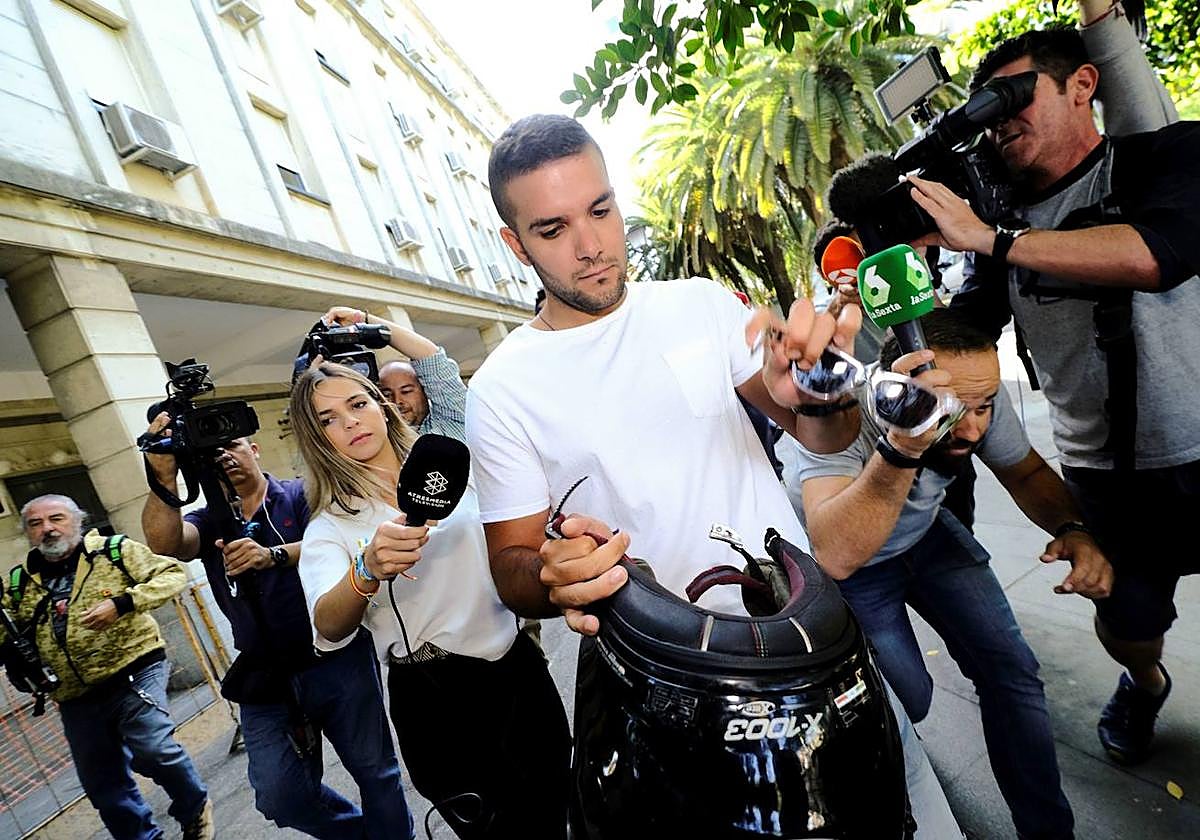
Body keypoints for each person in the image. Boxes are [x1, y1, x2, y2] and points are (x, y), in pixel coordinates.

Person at [466, 113, 962, 838]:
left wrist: (816, 392)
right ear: (515, 243)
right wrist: (553, 573)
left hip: (810, 642)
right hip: (666, 690)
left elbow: (821, 434)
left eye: (600, 209)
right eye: (552, 229)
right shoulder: (501, 388)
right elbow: (510, 565)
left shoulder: (696, 304)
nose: (591, 244)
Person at [913, 3, 1199, 765]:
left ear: (1082, 85)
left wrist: (994, 239)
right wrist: (893, 292)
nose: (1000, 122)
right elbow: (965, 334)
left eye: (1013, 97)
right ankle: (1145, 682)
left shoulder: (1161, 159)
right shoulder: (997, 228)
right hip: (1108, 475)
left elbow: (1157, 254)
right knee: (1129, 620)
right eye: (987, 113)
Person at [786, 309, 1114, 839]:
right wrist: (904, 444)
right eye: (952, 408)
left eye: (984, 406)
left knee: (1012, 670)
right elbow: (838, 555)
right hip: (854, 562)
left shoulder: (974, 394)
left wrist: (1073, 529)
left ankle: (1049, 831)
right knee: (907, 701)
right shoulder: (839, 416)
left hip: (928, 536)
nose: (973, 427)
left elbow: (1025, 470)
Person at [289, 362, 570, 839]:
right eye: (328, 419)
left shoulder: (453, 469)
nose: (350, 422)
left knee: (557, 809)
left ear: (381, 406)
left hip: (517, 668)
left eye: (357, 404)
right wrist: (366, 570)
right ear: (316, 438)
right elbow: (328, 626)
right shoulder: (330, 527)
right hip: (435, 698)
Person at [141, 426, 412, 839]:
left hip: (335, 655)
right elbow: (166, 542)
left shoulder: (303, 495)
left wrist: (274, 556)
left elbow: (340, 540)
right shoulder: (210, 520)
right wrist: (162, 475)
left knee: (375, 772)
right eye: (212, 453)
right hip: (263, 672)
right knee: (278, 795)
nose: (224, 456)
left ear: (254, 449)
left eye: (231, 446)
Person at [2, 495, 212, 840]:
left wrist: (124, 603)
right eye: (36, 524)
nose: (47, 529)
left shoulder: (113, 551)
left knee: (154, 749)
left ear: (77, 521)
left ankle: (194, 808)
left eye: (56, 519)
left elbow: (172, 574)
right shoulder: (18, 582)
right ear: (27, 532)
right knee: (103, 784)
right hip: (74, 695)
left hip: (134, 670)